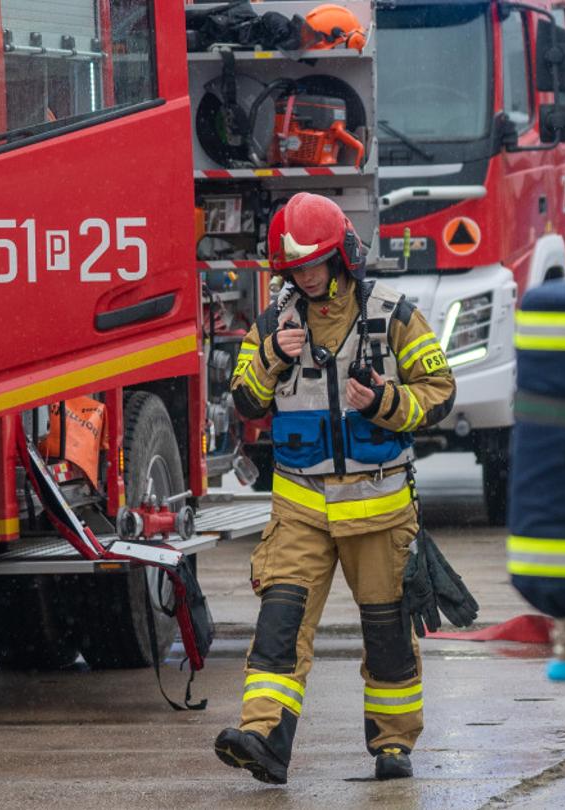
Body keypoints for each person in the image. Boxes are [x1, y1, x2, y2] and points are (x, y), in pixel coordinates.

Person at [215, 192, 456, 784]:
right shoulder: (273, 325)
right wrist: (271, 356)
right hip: (300, 509)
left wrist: (384, 402)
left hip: (380, 511)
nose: (305, 277)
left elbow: (440, 391)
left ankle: (393, 745)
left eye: (315, 263)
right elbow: (245, 400)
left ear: (342, 255)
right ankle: (262, 738)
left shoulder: (393, 315)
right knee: (279, 627)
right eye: (295, 268)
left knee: (388, 636)